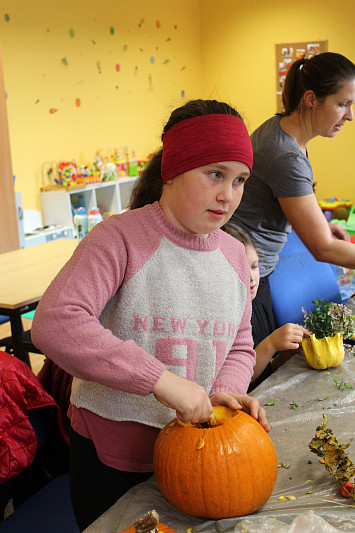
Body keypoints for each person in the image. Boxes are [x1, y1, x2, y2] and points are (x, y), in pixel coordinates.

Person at [31, 99, 270, 531]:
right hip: (114, 458)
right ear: (173, 169)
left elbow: (238, 342)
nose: (227, 195)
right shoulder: (118, 239)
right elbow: (55, 322)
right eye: (215, 174)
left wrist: (221, 395)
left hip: (202, 457)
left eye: (239, 181)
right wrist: (162, 381)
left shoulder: (235, 255)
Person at [230, 52, 355, 344]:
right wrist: (322, 234)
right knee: (252, 367)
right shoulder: (286, 155)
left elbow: (289, 198)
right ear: (311, 99)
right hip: (245, 274)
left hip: (247, 264)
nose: (350, 115)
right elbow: (322, 249)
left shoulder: (282, 131)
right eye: (342, 104)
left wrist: (321, 223)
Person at [222, 221, 310, 389]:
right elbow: (238, 383)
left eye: (255, 266)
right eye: (240, 269)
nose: (252, 277)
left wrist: (285, 355)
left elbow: (263, 373)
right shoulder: (224, 321)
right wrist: (271, 344)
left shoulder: (258, 303)